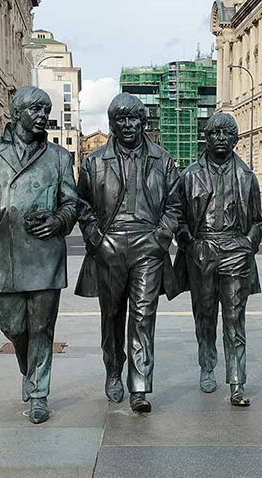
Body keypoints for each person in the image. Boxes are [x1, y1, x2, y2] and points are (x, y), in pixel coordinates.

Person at [0, 86, 79, 424]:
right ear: (17, 113)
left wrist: (57, 220)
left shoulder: (58, 157)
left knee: (42, 327)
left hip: (45, 253)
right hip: (4, 254)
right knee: (13, 327)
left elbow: (72, 203)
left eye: (46, 110)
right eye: (35, 110)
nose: (42, 116)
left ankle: (39, 393)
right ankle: (29, 372)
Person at [75, 93, 181, 414]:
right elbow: (83, 206)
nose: (128, 125)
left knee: (143, 316)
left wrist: (160, 237)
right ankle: (113, 369)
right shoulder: (94, 162)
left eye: (134, 118)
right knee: (112, 316)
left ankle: (139, 386)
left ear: (143, 121)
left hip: (148, 245)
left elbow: (175, 205)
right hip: (109, 245)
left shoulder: (162, 160)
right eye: (121, 120)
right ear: (112, 124)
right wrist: (97, 240)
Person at [174, 113, 262, 406]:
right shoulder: (189, 176)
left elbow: (257, 221)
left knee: (235, 319)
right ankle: (207, 365)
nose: (222, 138)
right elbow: (178, 218)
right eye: (216, 133)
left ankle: (237, 381)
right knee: (205, 315)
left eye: (228, 134)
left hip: (235, 251)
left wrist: (247, 245)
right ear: (207, 137)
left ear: (236, 139)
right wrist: (191, 244)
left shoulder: (247, 176)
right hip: (202, 251)